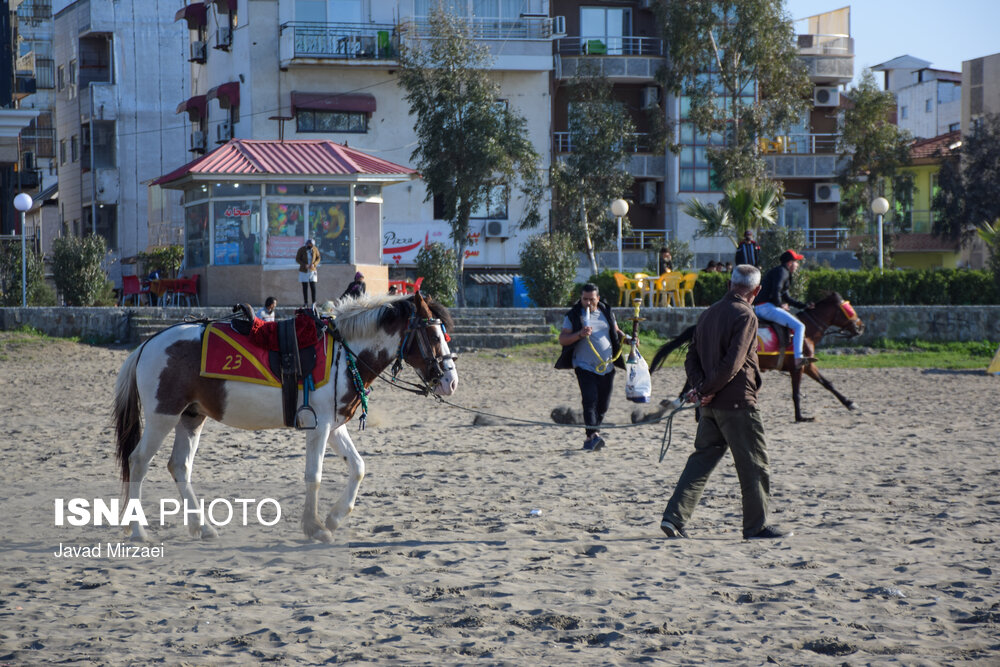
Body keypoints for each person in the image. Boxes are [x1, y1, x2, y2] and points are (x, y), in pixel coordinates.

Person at [660, 264, 791, 541]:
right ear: (756, 291)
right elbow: (734, 362)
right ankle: (755, 527)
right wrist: (705, 389)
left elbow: (690, 357)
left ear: (730, 285)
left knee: (701, 461)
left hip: (710, 406)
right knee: (754, 465)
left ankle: (674, 518)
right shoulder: (746, 315)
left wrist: (700, 389)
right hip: (737, 403)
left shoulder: (708, 313)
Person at [555, 284, 633, 451]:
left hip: (607, 365)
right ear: (581, 298)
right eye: (585, 299)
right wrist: (579, 334)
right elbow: (563, 338)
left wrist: (628, 339)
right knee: (589, 399)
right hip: (584, 365)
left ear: (598, 298)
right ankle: (593, 435)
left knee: (603, 404)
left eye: (592, 299)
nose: (588, 302)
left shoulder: (606, 312)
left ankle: (592, 434)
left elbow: (617, 331)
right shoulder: (574, 315)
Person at [753, 249, 813, 369]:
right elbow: (776, 291)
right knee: (800, 326)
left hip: (762, 307)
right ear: (790, 263)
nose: (797, 265)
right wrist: (780, 305)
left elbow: (786, 296)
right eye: (796, 262)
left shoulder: (781, 271)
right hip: (766, 307)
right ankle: (798, 358)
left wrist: (803, 306)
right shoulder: (782, 272)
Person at [296, 238, 321, 306]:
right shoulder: (301, 249)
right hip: (304, 270)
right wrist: (304, 265)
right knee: (305, 286)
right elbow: (297, 259)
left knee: (313, 286)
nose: (310, 246)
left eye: (311, 245)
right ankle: (306, 302)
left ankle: (314, 302)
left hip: (312, 270)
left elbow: (318, 258)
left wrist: (314, 264)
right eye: (309, 244)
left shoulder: (315, 249)